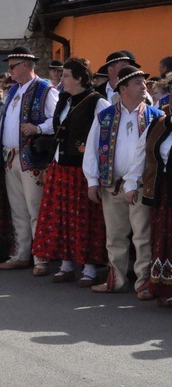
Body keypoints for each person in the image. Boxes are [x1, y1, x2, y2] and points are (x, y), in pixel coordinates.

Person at [84, 66, 163, 299]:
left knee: (142, 235)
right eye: (138, 83)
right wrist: (91, 180)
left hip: (141, 186)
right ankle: (116, 279)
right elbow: (92, 148)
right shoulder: (105, 115)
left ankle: (143, 283)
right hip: (111, 184)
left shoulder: (155, 115)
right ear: (124, 87)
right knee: (115, 235)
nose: (144, 87)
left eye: (144, 83)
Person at [32, 58, 109, 286]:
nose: (61, 79)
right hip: (60, 166)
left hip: (82, 170)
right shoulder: (63, 100)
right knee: (62, 217)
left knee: (84, 218)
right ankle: (66, 264)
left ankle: (89, 268)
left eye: (65, 75)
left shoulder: (98, 103)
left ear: (79, 78)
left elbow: (104, 138)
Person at [0, 46, 58, 275]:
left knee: (36, 208)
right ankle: (22, 254)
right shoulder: (14, 91)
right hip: (11, 157)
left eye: (12, 66)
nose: (9, 71)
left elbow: (59, 119)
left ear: (25, 65)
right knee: (18, 209)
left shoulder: (45, 90)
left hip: (33, 159)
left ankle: (41, 257)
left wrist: (38, 127)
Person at [125, 112, 172, 306]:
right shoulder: (158, 124)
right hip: (162, 191)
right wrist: (131, 184)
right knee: (162, 237)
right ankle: (163, 286)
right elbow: (141, 155)